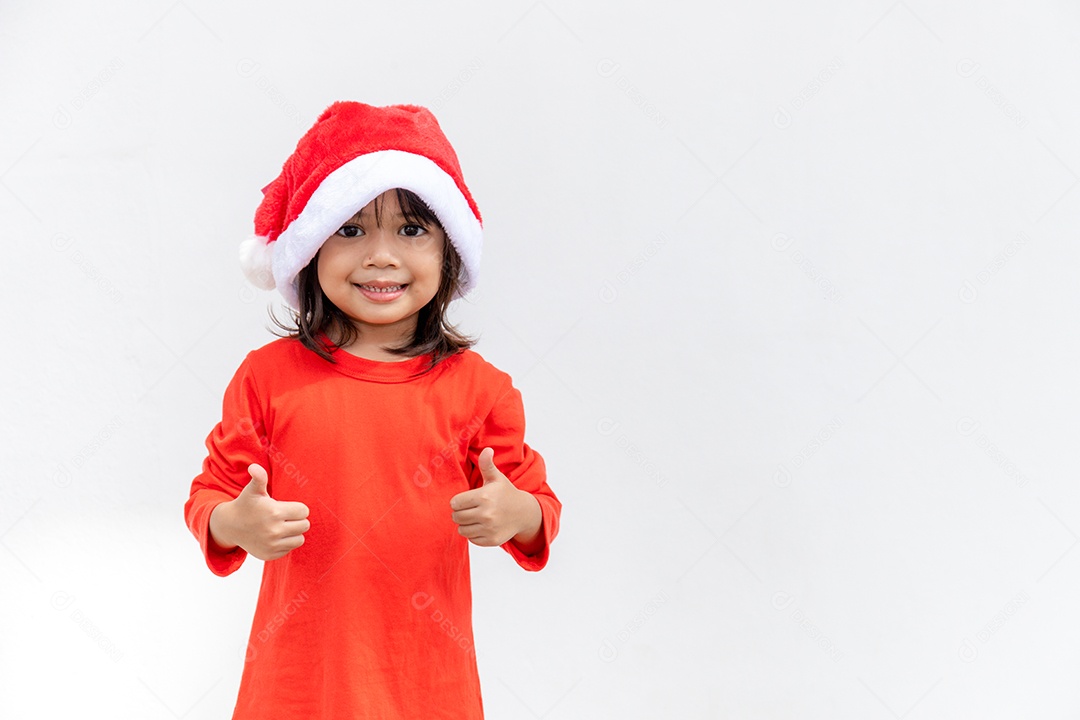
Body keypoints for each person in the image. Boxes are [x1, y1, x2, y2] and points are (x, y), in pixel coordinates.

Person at [182, 101, 562, 719]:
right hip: (298, 690)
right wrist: (232, 523)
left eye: (412, 230)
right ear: (307, 249)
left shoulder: (480, 389)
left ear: (450, 251)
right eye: (350, 229)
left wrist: (513, 511)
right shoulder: (267, 378)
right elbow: (210, 495)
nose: (381, 255)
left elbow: (537, 509)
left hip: (426, 688)